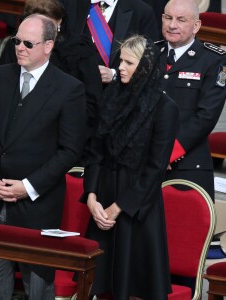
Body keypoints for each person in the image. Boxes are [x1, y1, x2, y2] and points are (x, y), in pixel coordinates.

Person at [0, 14, 86, 300]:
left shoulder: (69, 89)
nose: (20, 47)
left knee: (38, 289)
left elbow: (69, 151)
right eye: (16, 41)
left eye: (28, 43)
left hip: (37, 206)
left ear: (48, 46)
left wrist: (28, 187)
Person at [81, 35, 179, 299]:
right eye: (120, 60)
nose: (120, 67)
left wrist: (117, 208)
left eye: (129, 62)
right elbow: (95, 152)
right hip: (102, 202)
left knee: (132, 288)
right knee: (97, 286)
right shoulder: (111, 96)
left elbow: (155, 168)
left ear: (145, 67)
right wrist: (91, 197)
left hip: (136, 210)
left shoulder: (164, 108)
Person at [0, 0, 103, 165]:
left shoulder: (80, 53)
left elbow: (90, 107)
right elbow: (0, 99)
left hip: (60, 146)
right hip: (12, 143)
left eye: (46, 26)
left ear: (59, 24)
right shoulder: (18, 48)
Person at [159, 0, 226, 202]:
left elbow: (206, 116)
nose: (172, 25)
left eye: (181, 20)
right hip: (143, 161)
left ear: (196, 25)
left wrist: (166, 152)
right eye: (168, 18)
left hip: (187, 165)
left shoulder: (214, 60)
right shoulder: (149, 53)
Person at [61, 0, 160, 84]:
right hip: (74, 91)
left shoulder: (141, 11)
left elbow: (150, 61)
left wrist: (114, 74)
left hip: (114, 96)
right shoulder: (69, 4)